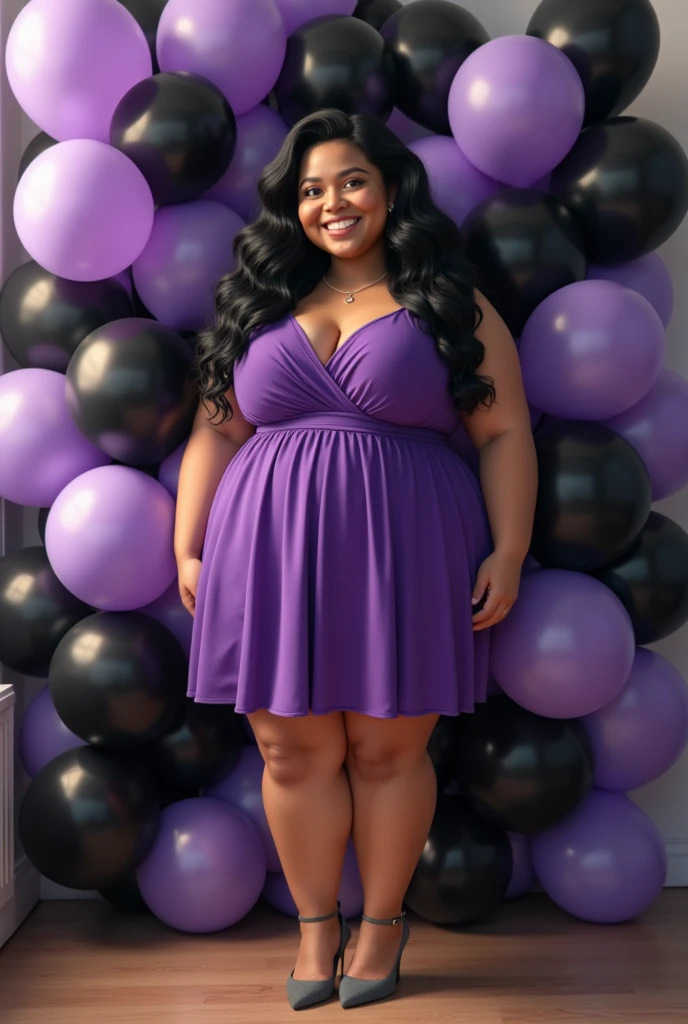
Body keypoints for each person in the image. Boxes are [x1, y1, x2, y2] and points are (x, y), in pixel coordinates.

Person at [174, 108, 537, 1010]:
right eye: (309, 189)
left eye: (349, 181)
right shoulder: (261, 305)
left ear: (388, 188)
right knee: (286, 747)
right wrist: (189, 543)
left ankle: (380, 926)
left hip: (404, 541)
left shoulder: (450, 303)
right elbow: (215, 434)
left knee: (386, 747)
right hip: (264, 550)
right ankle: (314, 927)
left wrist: (513, 547)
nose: (330, 202)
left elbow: (504, 432)